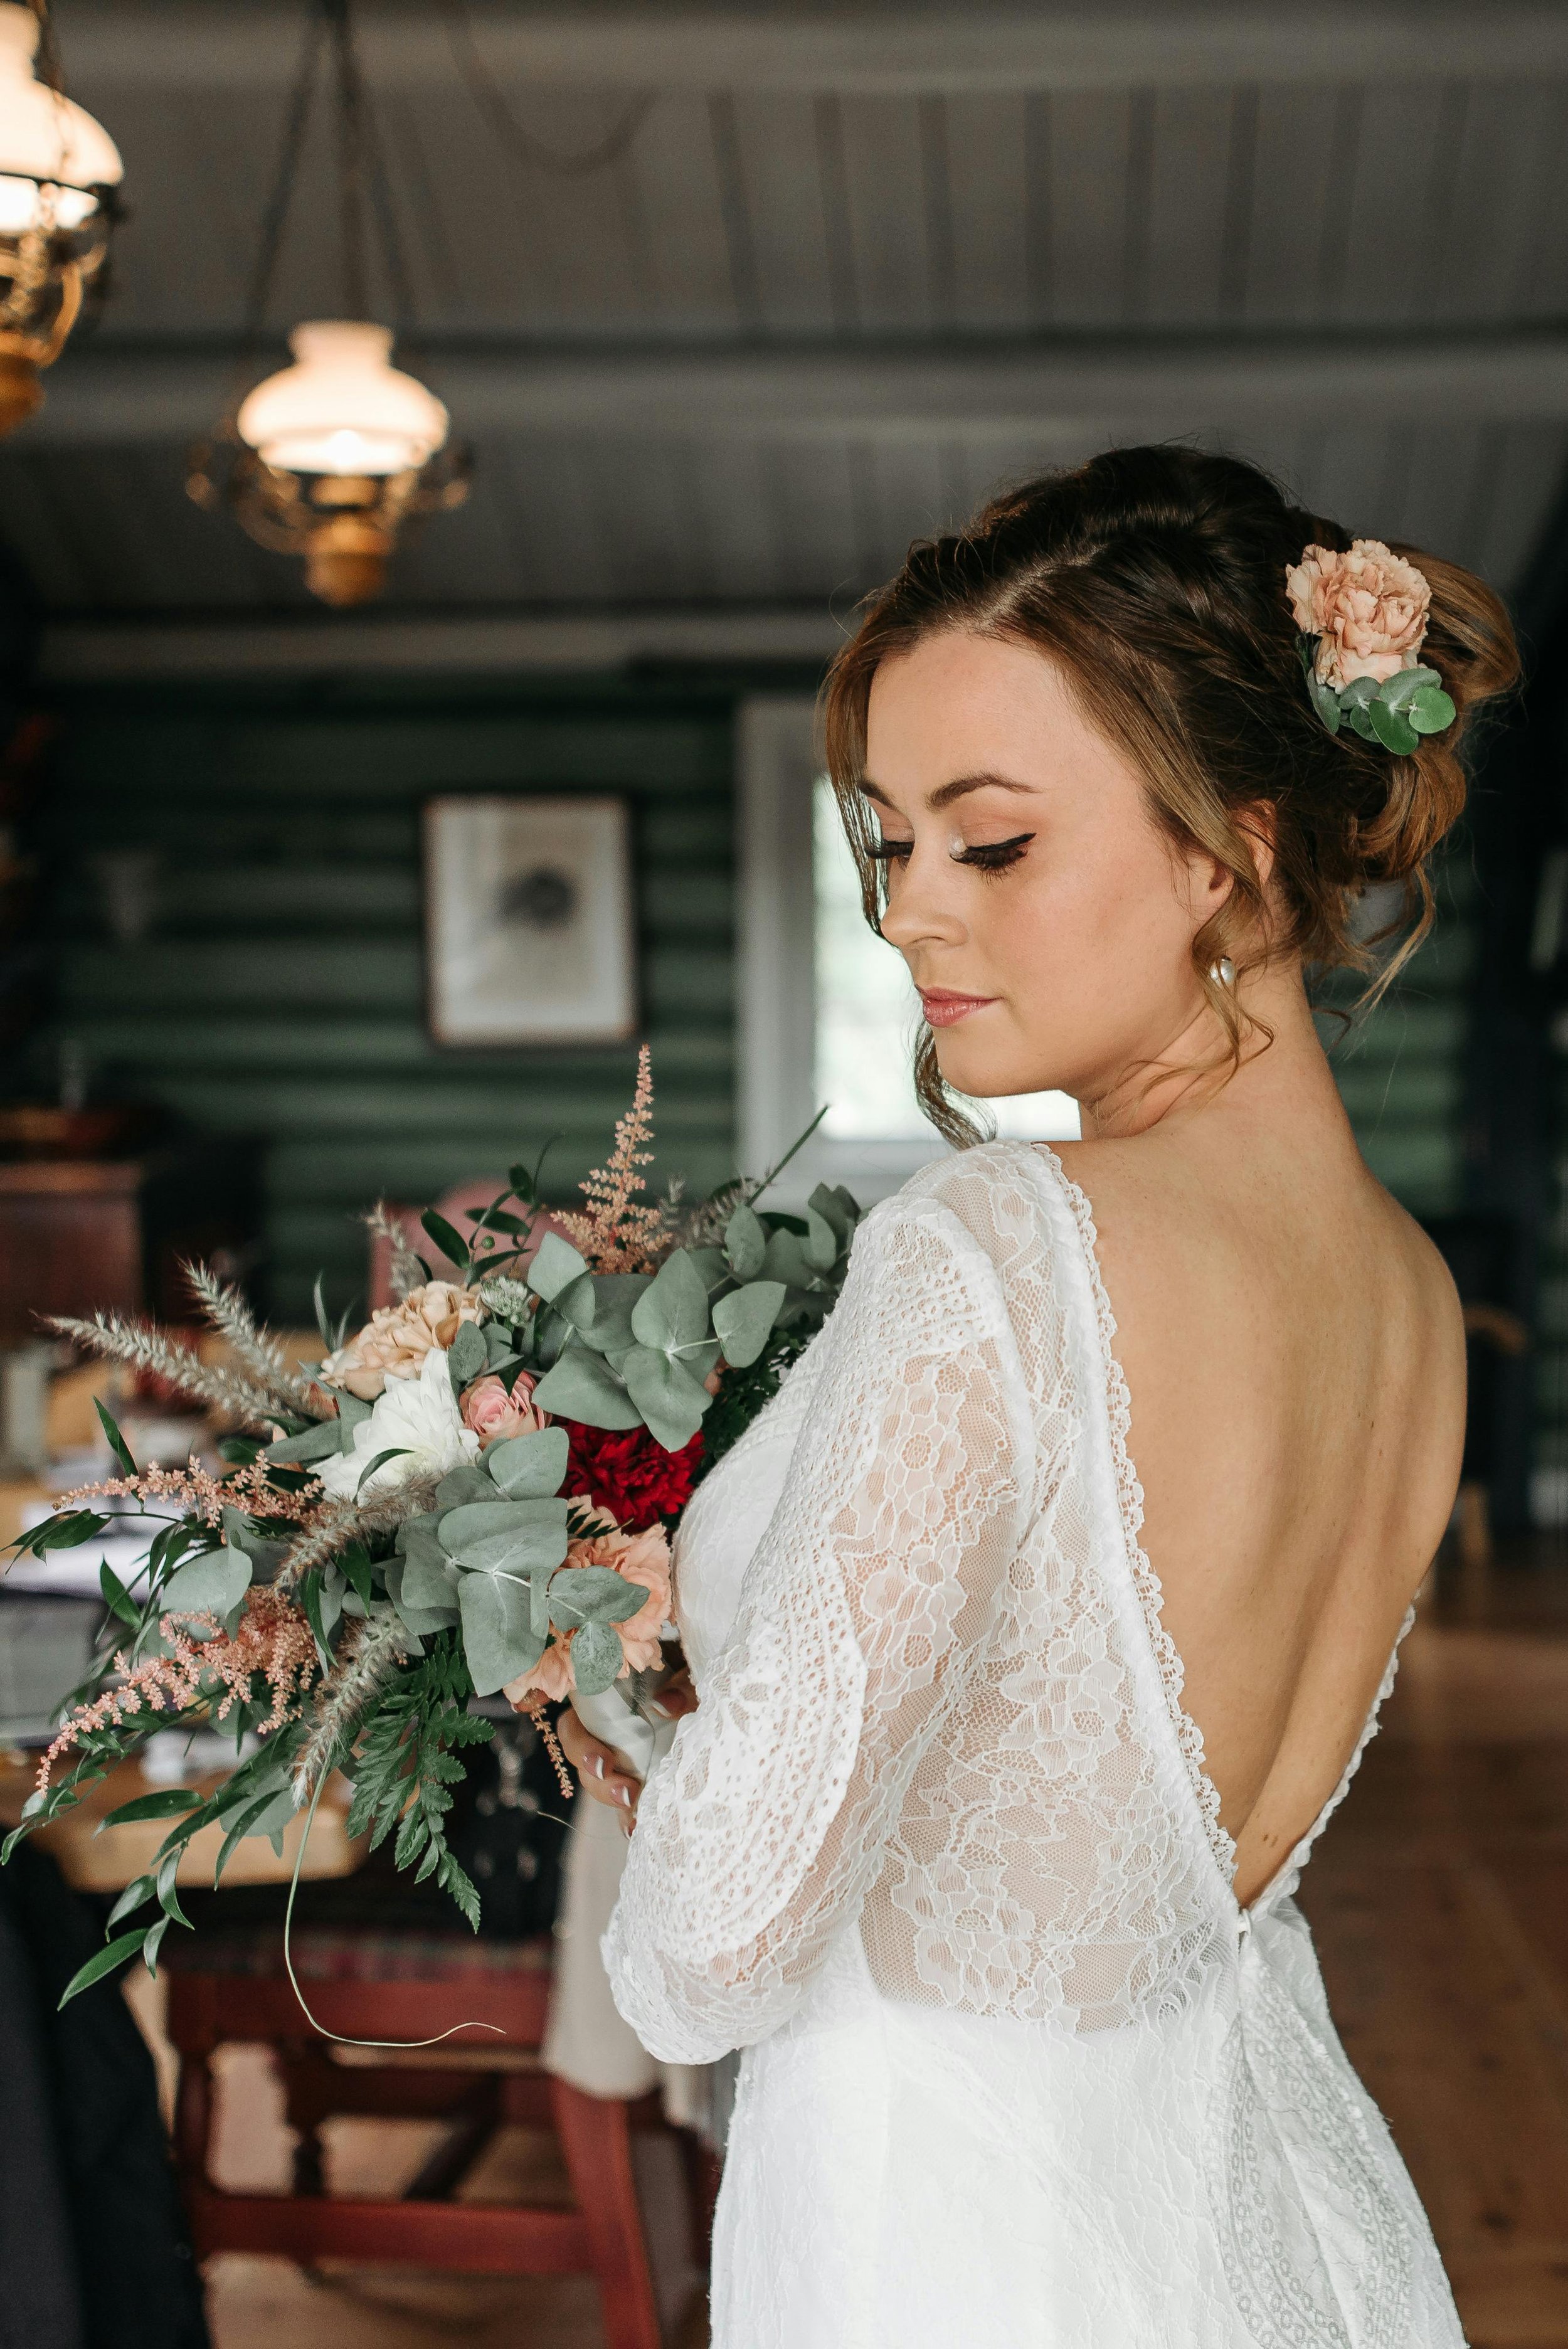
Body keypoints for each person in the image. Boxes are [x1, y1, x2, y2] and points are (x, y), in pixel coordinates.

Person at [561, 447, 1518, 2346]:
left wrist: (600, 1689)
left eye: (989, 841)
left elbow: (706, 1959)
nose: (911, 916)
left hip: (948, 2235)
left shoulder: (999, 1251)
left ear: (1231, 844)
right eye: (889, 842)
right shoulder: (1406, 1292)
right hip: (1239, 2189)